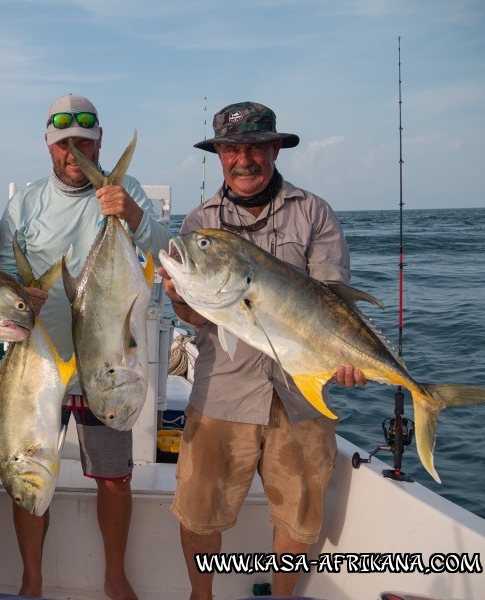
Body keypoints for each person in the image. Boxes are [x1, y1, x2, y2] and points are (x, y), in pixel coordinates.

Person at [158, 101, 366, 598]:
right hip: (223, 390)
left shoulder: (313, 213)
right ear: (220, 155)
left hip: (301, 394)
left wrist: (350, 361)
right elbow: (196, 317)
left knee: (297, 516)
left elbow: (332, 301)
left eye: (255, 147)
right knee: (200, 512)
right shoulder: (199, 223)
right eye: (232, 149)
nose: (243, 159)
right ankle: (201, 595)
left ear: (275, 149)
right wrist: (179, 299)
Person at [0, 93, 171, 599]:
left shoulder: (124, 189)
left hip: (107, 367)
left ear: (100, 142)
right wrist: (13, 292)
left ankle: (115, 578)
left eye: (85, 143)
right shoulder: (24, 204)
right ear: (48, 146)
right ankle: (32, 582)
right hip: (35, 366)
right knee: (26, 473)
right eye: (65, 144)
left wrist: (132, 215)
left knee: (113, 477)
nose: (75, 153)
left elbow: (167, 253)